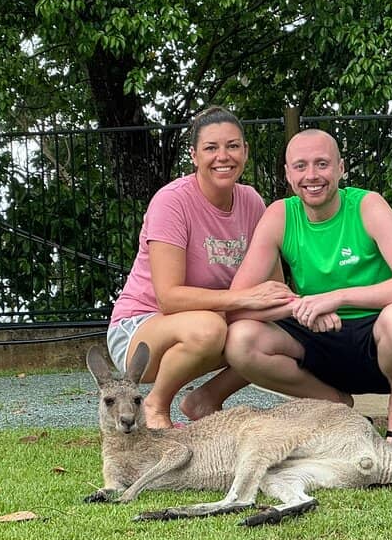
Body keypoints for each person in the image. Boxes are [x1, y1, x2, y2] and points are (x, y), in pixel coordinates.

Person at [225, 128, 392, 449]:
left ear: (340, 168)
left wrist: (336, 298)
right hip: (318, 337)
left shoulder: (368, 205)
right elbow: (238, 302)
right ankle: (335, 405)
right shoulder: (280, 215)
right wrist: (305, 306)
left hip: (379, 337)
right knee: (241, 339)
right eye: (300, 166)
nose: (312, 175)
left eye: (322, 164)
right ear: (287, 173)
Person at [106, 106, 295, 429]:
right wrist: (245, 299)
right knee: (210, 329)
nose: (223, 156)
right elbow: (169, 298)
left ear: (245, 151)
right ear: (194, 155)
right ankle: (155, 408)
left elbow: (273, 288)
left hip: (213, 319)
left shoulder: (252, 202)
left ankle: (205, 399)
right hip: (141, 329)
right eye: (211, 148)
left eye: (233, 146)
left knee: (282, 335)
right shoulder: (172, 202)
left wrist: (313, 312)